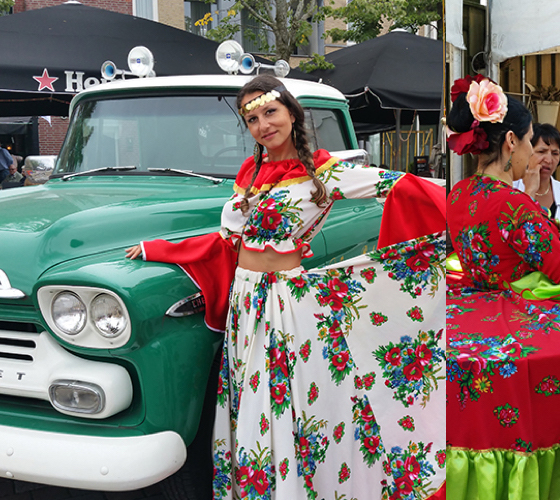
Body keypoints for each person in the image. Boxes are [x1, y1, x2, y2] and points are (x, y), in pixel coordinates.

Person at [125, 75, 446, 499]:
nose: (263, 125)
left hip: (287, 303)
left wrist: (459, 201)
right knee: (254, 398)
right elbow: (227, 240)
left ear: (292, 115)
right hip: (247, 301)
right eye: (252, 119)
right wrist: (159, 249)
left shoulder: (323, 173)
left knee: (288, 399)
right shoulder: (249, 174)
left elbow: (395, 185)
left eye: (270, 113)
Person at [447, 75, 560, 297]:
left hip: (478, 307)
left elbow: (509, 254)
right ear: (511, 140)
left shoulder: (458, 193)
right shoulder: (514, 204)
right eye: (529, 140)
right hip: (521, 312)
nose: (530, 151)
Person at [513, 123, 560, 242]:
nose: (548, 160)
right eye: (541, 151)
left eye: (555, 154)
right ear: (526, 151)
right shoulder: (510, 189)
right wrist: (530, 190)